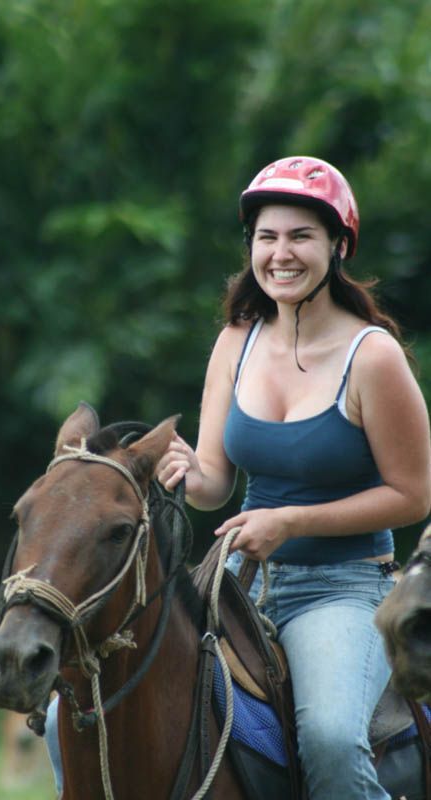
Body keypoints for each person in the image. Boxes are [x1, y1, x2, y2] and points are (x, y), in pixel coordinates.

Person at [156, 155, 431, 800]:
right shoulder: (237, 340)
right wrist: (185, 469)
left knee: (331, 743)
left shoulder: (373, 356)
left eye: (301, 236)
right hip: (234, 579)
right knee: (83, 711)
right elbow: (214, 484)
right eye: (267, 237)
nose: (281, 254)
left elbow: (414, 495)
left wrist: (292, 521)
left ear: (338, 246)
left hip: (343, 587)